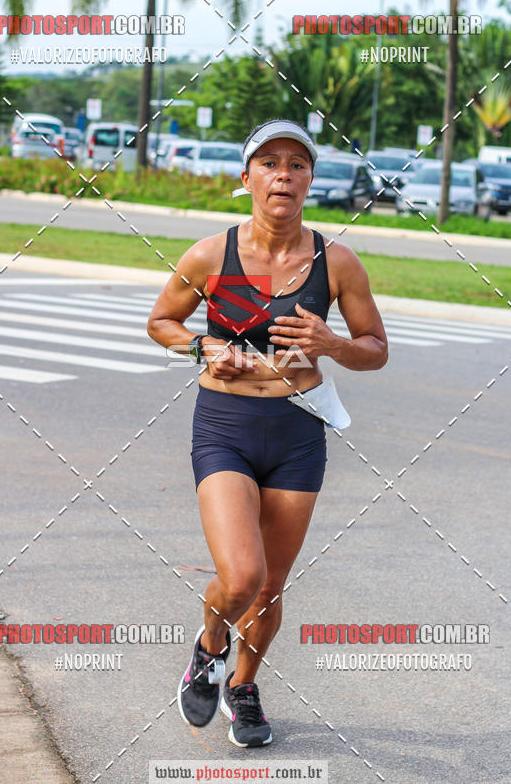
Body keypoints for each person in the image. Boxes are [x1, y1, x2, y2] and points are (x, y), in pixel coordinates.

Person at [146, 118, 388, 748]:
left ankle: (243, 688)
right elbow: (161, 323)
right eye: (271, 163)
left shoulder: (336, 262)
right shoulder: (210, 255)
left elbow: (376, 349)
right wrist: (202, 344)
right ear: (246, 176)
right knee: (243, 574)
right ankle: (207, 647)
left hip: (299, 430)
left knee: (272, 585)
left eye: (297, 164)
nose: (284, 174)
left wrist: (332, 343)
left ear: (310, 179)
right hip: (226, 425)